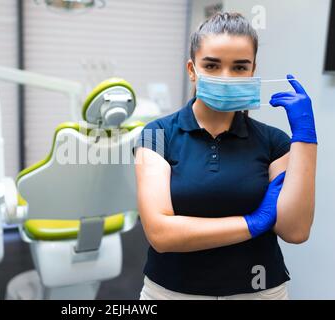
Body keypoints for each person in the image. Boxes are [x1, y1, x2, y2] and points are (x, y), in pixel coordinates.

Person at [134, 12, 317, 300]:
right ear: (192, 70)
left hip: (258, 291)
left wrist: (305, 137)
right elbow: (161, 234)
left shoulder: (274, 142)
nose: (226, 77)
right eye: (212, 65)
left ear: (253, 70)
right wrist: (252, 223)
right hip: (172, 292)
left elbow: (295, 230)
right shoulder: (157, 135)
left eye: (240, 67)